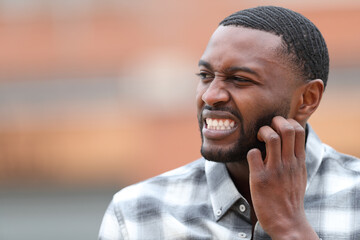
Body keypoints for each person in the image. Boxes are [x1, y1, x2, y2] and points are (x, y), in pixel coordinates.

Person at [98, 6, 360, 240]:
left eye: (240, 79)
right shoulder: (137, 214)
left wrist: (290, 228)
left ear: (307, 99)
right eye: (205, 75)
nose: (211, 95)